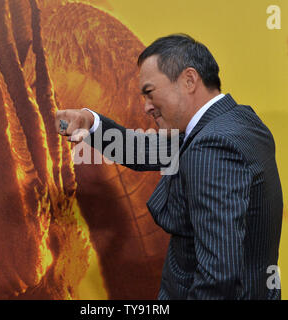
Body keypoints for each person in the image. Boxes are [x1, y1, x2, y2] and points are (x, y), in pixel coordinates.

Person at [55, 34, 283, 299]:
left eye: (150, 93)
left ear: (189, 80)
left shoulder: (211, 147)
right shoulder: (237, 121)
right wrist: (90, 123)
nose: (146, 107)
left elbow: (219, 277)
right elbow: (146, 150)